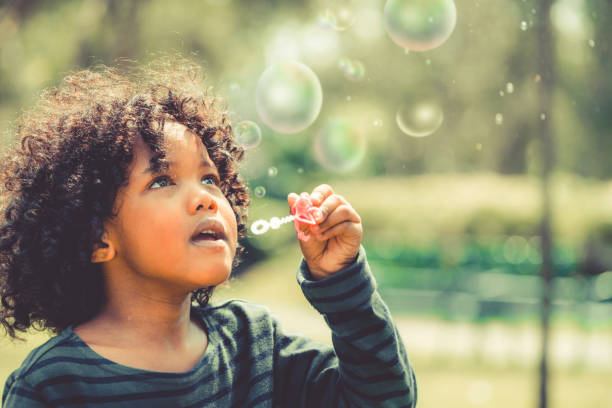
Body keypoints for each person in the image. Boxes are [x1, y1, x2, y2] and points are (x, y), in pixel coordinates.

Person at [0, 57, 417, 407]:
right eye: (162, 181)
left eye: (211, 178)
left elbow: (386, 399)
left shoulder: (255, 347)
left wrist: (342, 283)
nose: (205, 198)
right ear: (96, 237)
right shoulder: (53, 385)